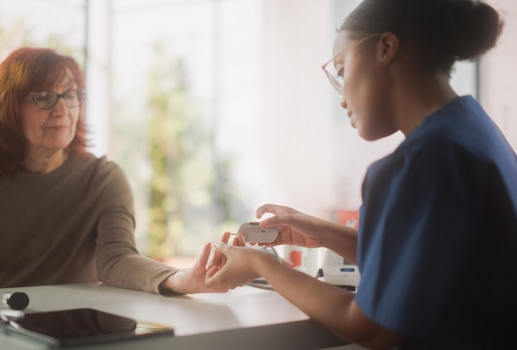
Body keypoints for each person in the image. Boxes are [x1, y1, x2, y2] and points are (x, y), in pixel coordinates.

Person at [205, 0, 517, 348]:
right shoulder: (476, 131)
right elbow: (435, 264)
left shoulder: (415, 166)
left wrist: (263, 266)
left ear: (386, 48)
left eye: (341, 70)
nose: (341, 99)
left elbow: (371, 327)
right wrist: (322, 233)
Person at [0, 47, 229, 296]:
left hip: (76, 329)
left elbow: (117, 259)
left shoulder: (104, 179)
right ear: (8, 107)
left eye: (70, 95)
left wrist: (180, 279)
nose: (61, 110)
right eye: (43, 97)